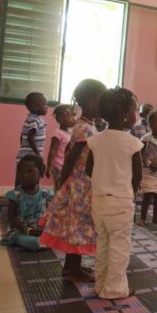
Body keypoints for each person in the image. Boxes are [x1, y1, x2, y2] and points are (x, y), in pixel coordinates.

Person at [39, 79, 107, 282]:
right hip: (79, 185)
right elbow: (71, 157)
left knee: (78, 226)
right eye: (102, 102)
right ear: (94, 101)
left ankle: (73, 266)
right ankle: (71, 269)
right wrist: (63, 182)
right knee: (77, 225)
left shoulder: (88, 125)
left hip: (83, 183)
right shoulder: (84, 128)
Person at [86, 87, 143, 300]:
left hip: (98, 201)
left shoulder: (95, 140)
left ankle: (100, 284)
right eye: (135, 110)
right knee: (120, 247)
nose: (136, 115)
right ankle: (115, 289)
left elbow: (89, 170)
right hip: (120, 202)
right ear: (125, 115)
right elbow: (137, 177)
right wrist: (131, 193)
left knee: (102, 244)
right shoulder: (133, 143)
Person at [1, 154, 52, 251]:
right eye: (21, 171)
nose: (24, 175)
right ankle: (41, 243)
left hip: (39, 229)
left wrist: (45, 228)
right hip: (20, 231)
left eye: (29, 171)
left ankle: (46, 242)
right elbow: (11, 218)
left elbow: (49, 214)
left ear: (41, 173)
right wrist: (27, 230)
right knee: (32, 242)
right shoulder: (15, 195)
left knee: (61, 236)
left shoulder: (45, 193)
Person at [46, 104, 75, 191]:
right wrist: (49, 166)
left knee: (67, 187)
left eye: (73, 116)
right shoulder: (57, 133)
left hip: (67, 165)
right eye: (70, 116)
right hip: (58, 166)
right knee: (59, 187)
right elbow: (53, 150)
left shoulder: (72, 132)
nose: (73, 119)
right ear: (60, 119)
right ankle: (57, 202)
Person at [17, 92, 48, 165]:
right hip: (30, 159)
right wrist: (37, 154)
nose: (47, 107)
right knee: (31, 175)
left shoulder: (31, 119)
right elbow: (30, 138)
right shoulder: (34, 120)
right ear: (35, 107)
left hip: (25, 156)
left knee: (22, 176)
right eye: (45, 104)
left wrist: (24, 148)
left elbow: (22, 137)